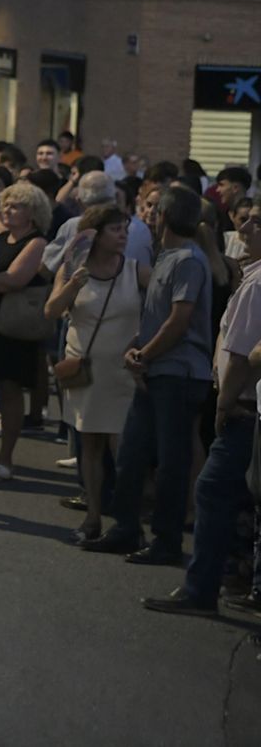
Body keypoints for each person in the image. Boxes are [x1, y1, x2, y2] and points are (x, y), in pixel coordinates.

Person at [83, 186, 213, 564]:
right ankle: (125, 528)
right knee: (133, 453)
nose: (149, 215)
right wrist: (137, 345)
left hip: (180, 372)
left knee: (171, 462)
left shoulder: (188, 259)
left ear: (166, 217)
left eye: (155, 209)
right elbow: (157, 317)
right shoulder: (166, 256)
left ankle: (167, 541)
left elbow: (179, 320)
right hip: (156, 369)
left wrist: (144, 352)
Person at [143, 206, 261, 616]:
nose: (243, 227)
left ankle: (202, 589)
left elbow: (244, 354)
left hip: (244, 405)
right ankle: (234, 578)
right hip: (244, 402)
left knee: (212, 490)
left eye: (256, 222)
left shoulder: (258, 282)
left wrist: (225, 404)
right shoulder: (251, 275)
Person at [46, 204, 144, 543]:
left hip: (122, 374)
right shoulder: (73, 269)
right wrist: (72, 284)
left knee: (123, 448)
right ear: (96, 234)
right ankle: (92, 516)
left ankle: (126, 519)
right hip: (85, 371)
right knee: (89, 444)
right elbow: (52, 310)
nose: (123, 235)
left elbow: (163, 306)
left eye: (125, 229)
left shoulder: (135, 270)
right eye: (116, 229)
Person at [0, 180, 52, 479]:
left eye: (15, 205)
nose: (7, 209)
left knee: (10, 390)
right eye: (6, 204)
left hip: (15, 327)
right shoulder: (0, 236)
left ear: (32, 212)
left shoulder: (36, 242)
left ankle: (6, 458)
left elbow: (14, 279)